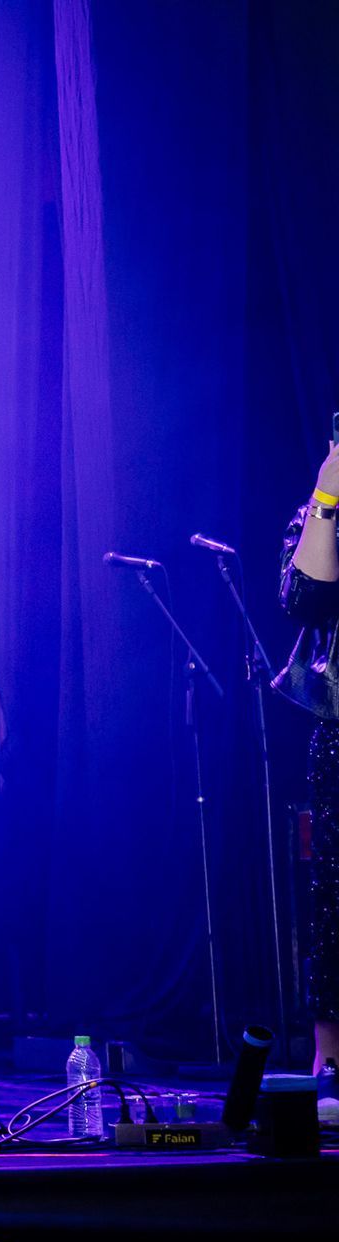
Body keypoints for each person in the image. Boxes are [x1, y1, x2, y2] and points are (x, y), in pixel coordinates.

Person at [274, 442, 339, 1124]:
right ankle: (333, 1063)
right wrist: (327, 492)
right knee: (336, 901)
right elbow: (300, 599)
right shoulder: (321, 515)